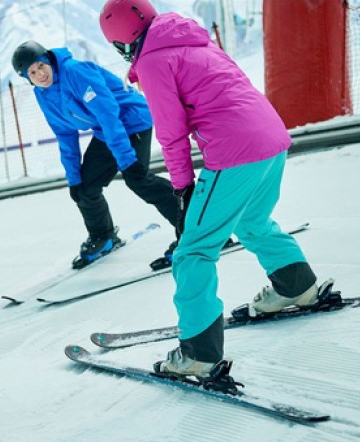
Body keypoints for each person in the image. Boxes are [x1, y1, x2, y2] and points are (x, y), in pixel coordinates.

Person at [99, 0, 329, 387]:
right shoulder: (196, 40)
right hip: (271, 138)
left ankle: (198, 355)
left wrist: (183, 189)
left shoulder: (154, 61)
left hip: (235, 152)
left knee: (193, 251)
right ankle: (298, 286)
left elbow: (171, 134)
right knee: (253, 221)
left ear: (121, 41)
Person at [11, 40, 185, 269]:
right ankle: (103, 237)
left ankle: (193, 231)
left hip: (132, 120)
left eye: (40, 66)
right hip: (107, 130)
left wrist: (126, 160)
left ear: (49, 61)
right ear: (27, 79)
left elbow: (108, 114)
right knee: (85, 187)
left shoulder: (75, 72)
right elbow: (65, 135)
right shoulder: (43, 95)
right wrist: (73, 179)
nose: (39, 74)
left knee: (137, 179)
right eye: (32, 73)